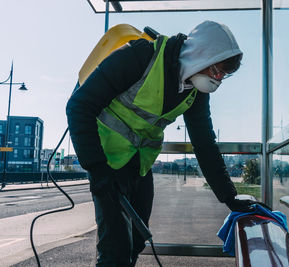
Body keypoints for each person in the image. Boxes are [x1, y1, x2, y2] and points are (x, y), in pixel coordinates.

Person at [66, 20, 256, 266]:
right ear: (200, 55)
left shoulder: (195, 92)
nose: (218, 80)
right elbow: (79, 105)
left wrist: (229, 197)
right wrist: (97, 169)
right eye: (216, 71)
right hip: (106, 162)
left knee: (136, 240)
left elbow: (205, 144)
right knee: (114, 250)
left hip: (140, 164)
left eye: (223, 75)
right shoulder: (140, 56)